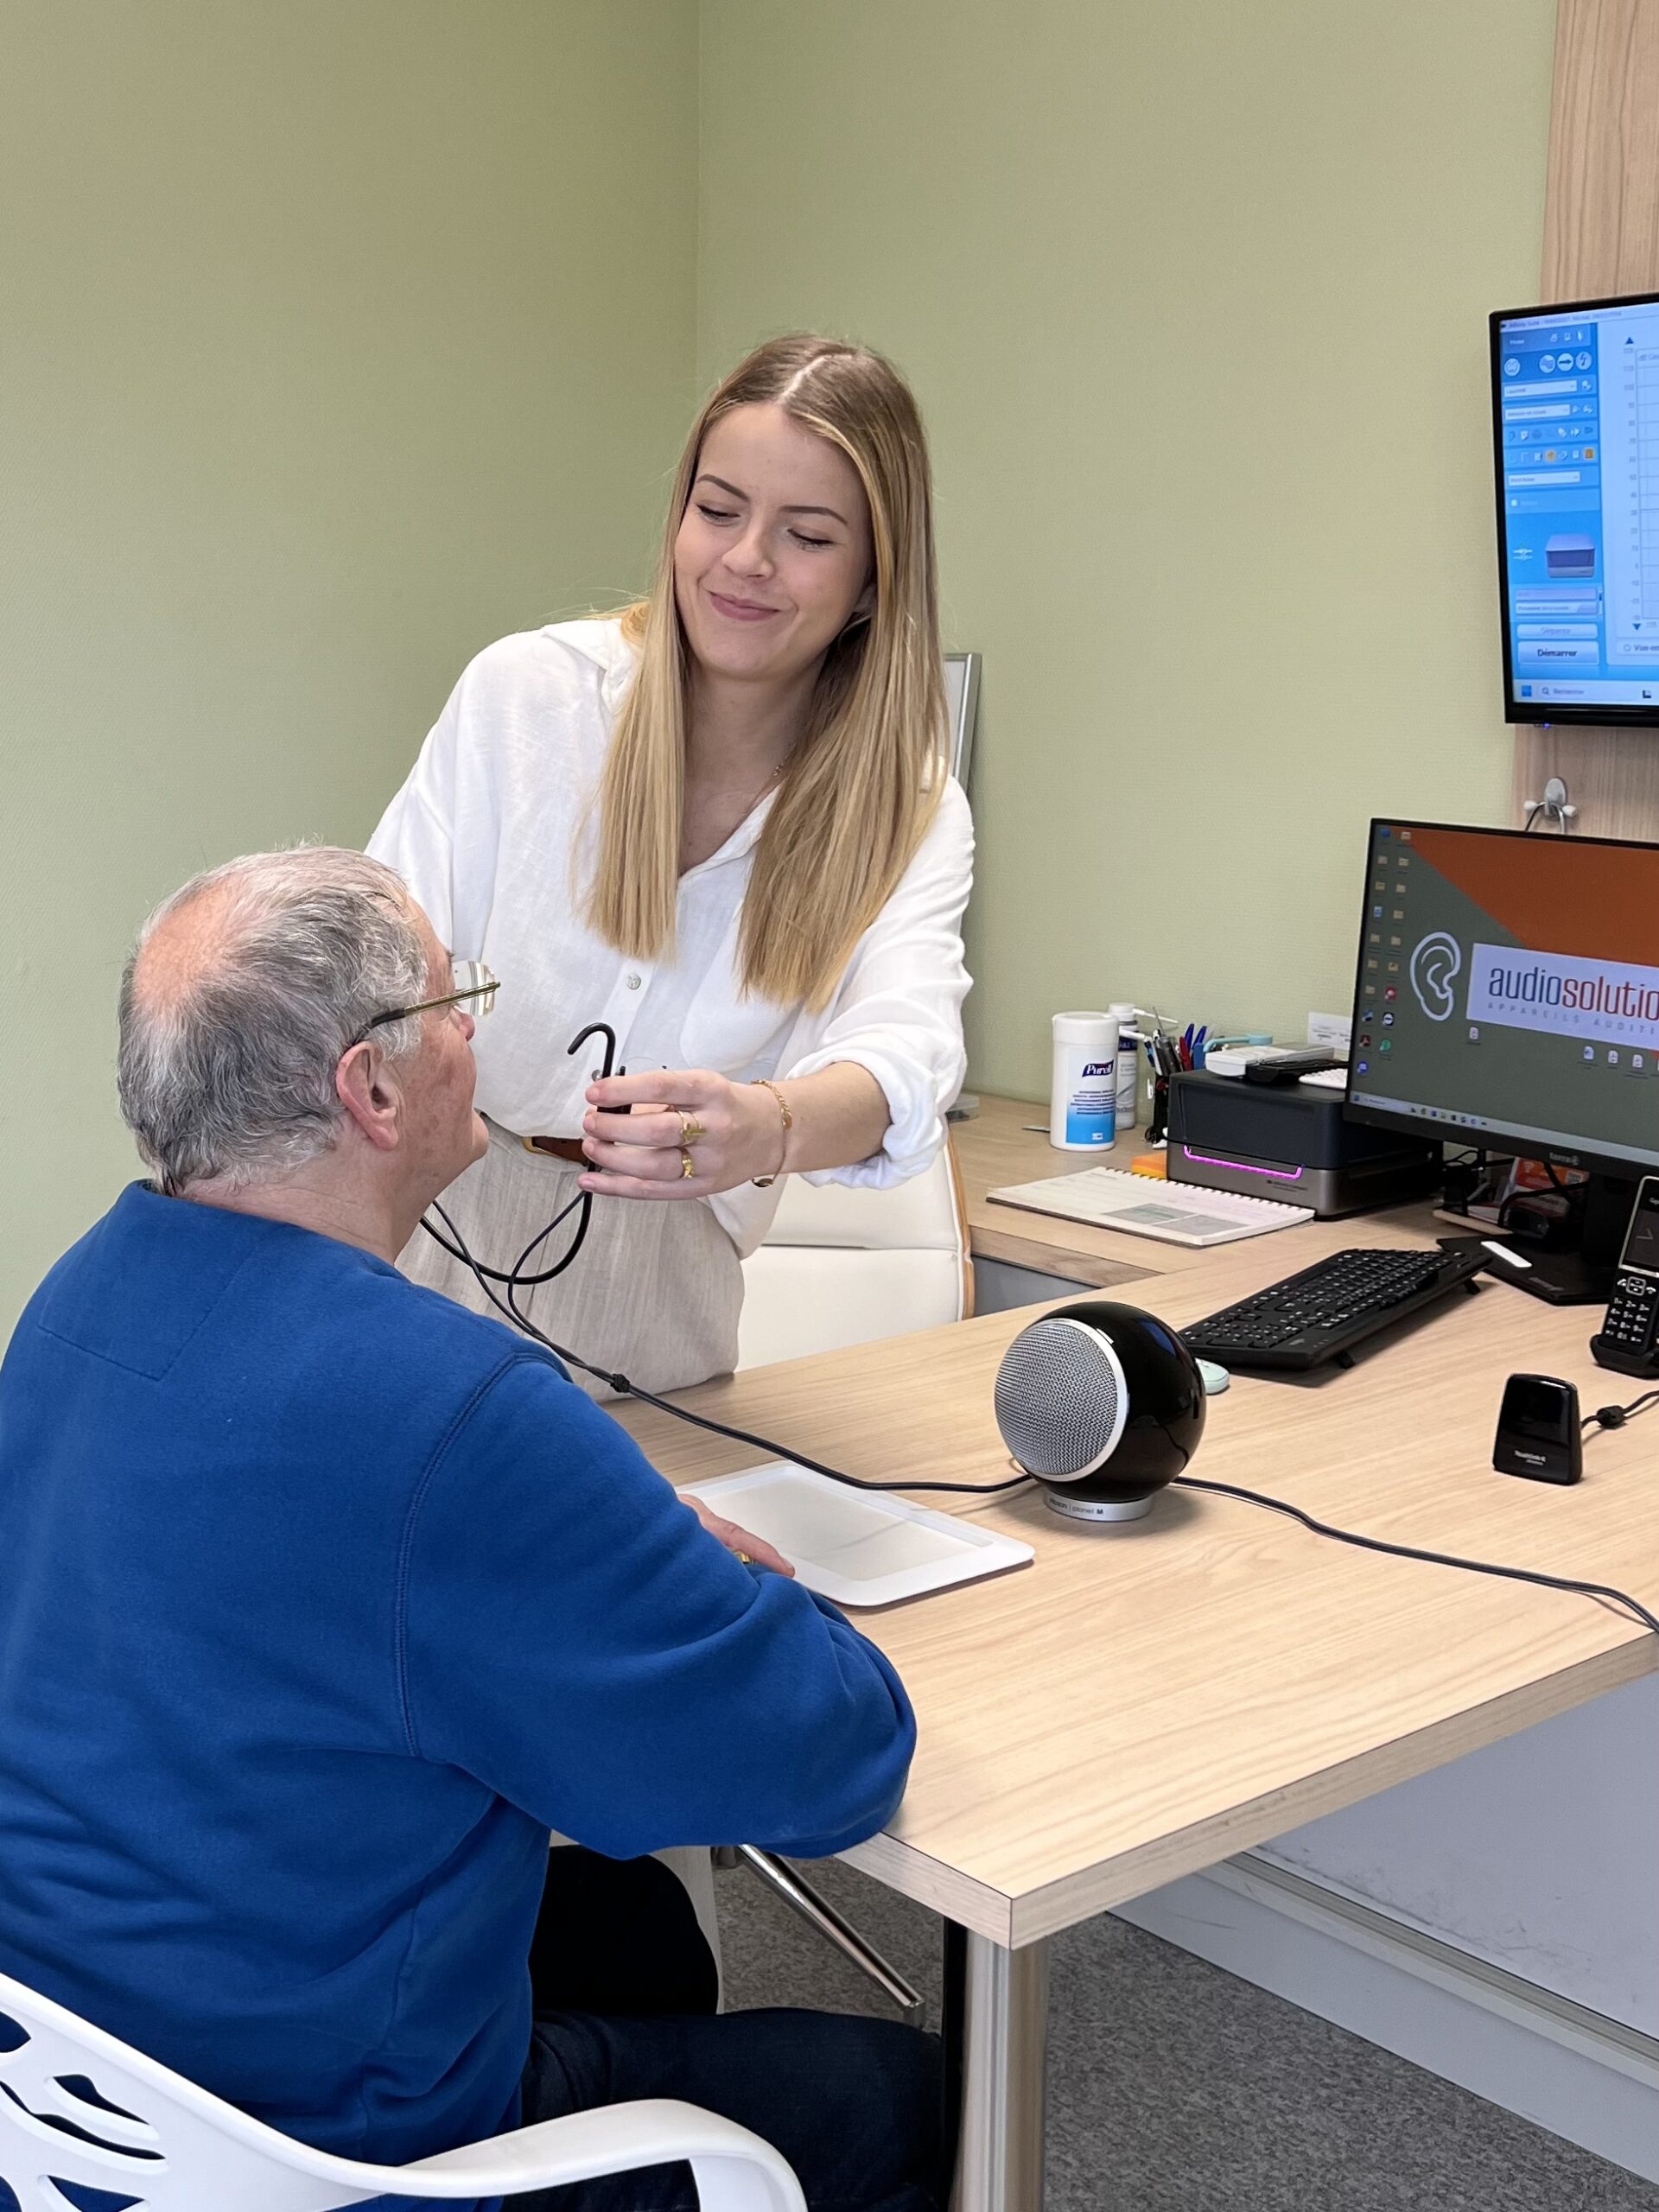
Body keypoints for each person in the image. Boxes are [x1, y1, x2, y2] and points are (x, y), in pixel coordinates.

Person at [0, 848, 942, 2212]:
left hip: (74, 2094)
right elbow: (836, 1758)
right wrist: (676, 1579)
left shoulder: (76, 1297)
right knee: (895, 2102)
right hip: (331, 2159)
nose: (476, 1033)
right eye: (457, 1004)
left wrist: (593, 1558)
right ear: (370, 1086)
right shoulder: (458, 1414)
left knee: (636, 1927)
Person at [368, 333, 973, 1398]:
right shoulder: (528, 696)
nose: (746, 559)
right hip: (434, 1221)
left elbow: (906, 1059)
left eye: (809, 534)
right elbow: (373, 963)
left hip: (665, 1285)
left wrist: (766, 1127)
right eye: (719, 508)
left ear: (875, 578)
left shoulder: (909, 811)